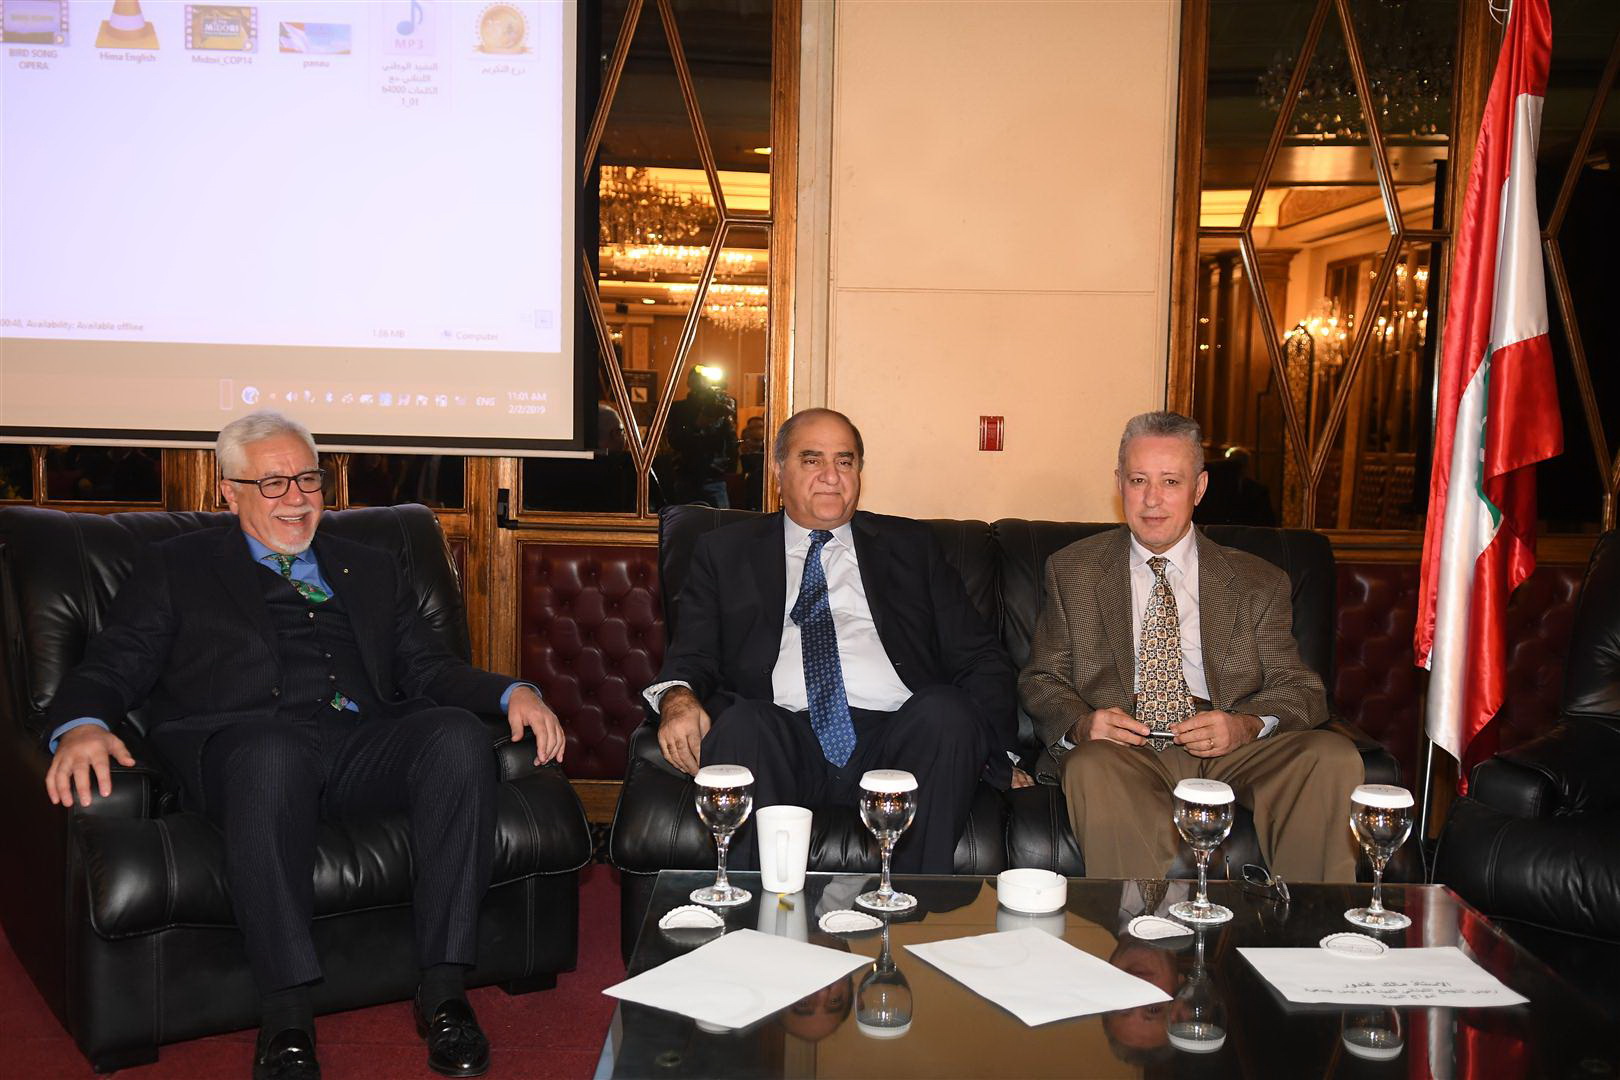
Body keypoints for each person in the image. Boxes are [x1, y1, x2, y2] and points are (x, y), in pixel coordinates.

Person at [42, 411, 565, 1080]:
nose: (295, 497)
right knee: (273, 753)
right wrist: (83, 723)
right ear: (228, 492)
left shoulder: (370, 566)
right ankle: (286, 1016)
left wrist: (513, 692)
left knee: (456, 736)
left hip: (359, 746)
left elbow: (429, 669)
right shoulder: (177, 566)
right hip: (246, 749)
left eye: (308, 479)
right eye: (272, 483)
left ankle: (444, 993)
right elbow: (114, 665)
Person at [646, 407, 1016, 873]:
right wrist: (677, 699)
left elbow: (979, 656)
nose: (831, 475)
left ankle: (905, 905)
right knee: (742, 724)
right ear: (778, 470)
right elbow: (692, 652)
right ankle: (758, 911)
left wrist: (1001, 756)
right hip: (782, 736)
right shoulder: (724, 551)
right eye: (811, 459)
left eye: (845, 461)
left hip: (897, 738)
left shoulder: (911, 546)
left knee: (947, 711)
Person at [1019, 410, 1362, 882]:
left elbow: (1300, 688)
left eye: (1170, 482)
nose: (1152, 499)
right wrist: (1083, 724)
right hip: (1125, 750)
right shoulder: (1073, 570)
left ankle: (1303, 922)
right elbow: (1042, 679)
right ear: (1119, 483)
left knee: (1331, 756)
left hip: (1230, 747)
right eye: (1138, 480)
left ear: (1199, 488)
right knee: (1091, 764)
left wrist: (1244, 726)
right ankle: (1143, 922)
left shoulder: (1257, 580)